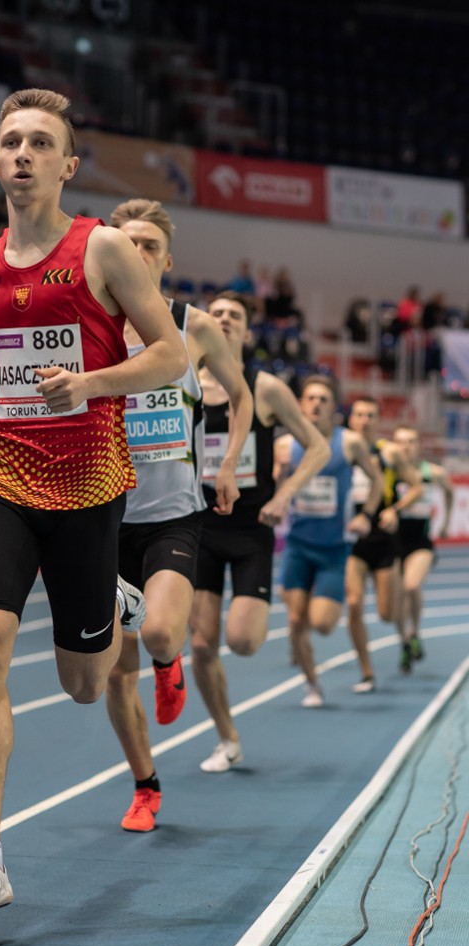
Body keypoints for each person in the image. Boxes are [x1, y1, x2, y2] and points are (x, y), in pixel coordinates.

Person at [0, 89, 188, 922]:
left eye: (42, 142)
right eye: (11, 142)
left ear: (67, 165)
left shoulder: (105, 248)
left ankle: (112, 605)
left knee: (84, 685)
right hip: (1, 469)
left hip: (87, 483)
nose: (23, 154)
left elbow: (173, 355)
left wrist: (92, 382)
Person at [105, 200, 254, 831]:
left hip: (173, 516)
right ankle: (145, 786)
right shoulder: (96, 326)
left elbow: (241, 396)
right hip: (103, 519)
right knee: (114, 670)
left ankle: (171, 669)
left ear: (167, 260)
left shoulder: (194, 329)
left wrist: (227, 465)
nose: (136, 251)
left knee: (163, 634)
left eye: (148, 244)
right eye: (126, 241)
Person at [189, 292, 330, 772]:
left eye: (235, 317)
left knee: (243, 642)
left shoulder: (265, 387)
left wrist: (283, 496)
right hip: (199, 526)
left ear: (248, 333)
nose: (224, 320)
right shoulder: (183, 382)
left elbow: (317, 448)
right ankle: (227, 738)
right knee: (202, 645)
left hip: (251, 531)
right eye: (217, 314)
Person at [275, 376, 384, 708]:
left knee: (321, 624)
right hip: (297, 545)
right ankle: (313, 685)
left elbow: (377, 480)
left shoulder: (349, 443)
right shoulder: (285, 445)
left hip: (334, 549)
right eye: (310, 397)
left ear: (333, 407)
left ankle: (304, 637)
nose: (316, 403)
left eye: (323, 398)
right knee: (295, 621)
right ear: (300, 403)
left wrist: (366, 515)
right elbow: (276, 484)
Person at [345, 397, 423, 693]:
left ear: (378, 421)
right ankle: (367, 673)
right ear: (351, 418)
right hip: (352, 540)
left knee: (387, 614)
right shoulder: (338, 448)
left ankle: (405, 637)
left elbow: (416, 484)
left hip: (383, 539)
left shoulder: (389, 453)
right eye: (359, 414)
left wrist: (396, 510)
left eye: (371, 415)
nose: (364, 420)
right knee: (353, 604)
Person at [392, 425, 454, 671]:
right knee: (396, 599)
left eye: (411, 442)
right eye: (400, 442)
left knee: (411, 585)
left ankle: (414, 632)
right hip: (393, 541)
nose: (406, 447)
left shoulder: (433, 473)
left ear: (419, 445)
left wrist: (446, 523)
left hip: (420, 541)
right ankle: (404, 642)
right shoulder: (389, 472)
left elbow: (449, 491)